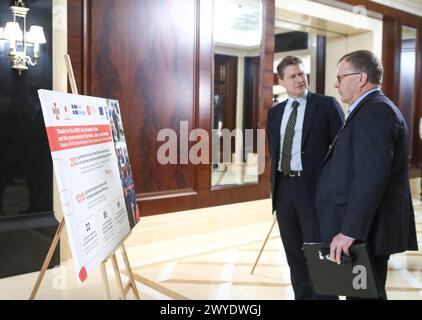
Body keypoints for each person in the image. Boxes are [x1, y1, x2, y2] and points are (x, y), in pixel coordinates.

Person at [316, 50, 418, 300]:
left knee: (363, 296)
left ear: (361, 78)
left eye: (341, 77)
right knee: (363, 294)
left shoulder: (375, 112)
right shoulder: (369, 110)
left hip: (368, 230)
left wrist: (350, 231)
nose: (336, 84)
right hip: (366, 226)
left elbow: (370, 178)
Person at [266, 56, 344, 299]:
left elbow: (342, 152)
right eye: (292, 76)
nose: (300, 79)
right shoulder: (275, 112)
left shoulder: (326, 105)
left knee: (319, 253)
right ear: (281, 81)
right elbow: (274, 150)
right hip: (284, 189)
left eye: (301, 73)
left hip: (314, 191)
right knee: (294, 254)